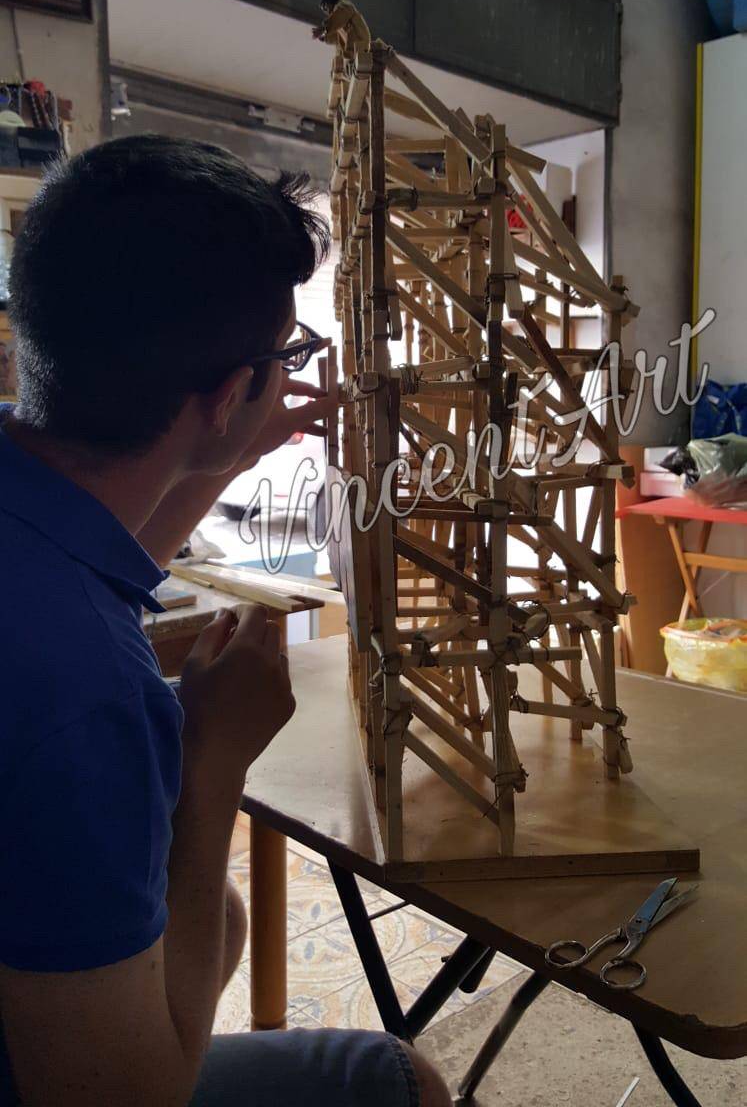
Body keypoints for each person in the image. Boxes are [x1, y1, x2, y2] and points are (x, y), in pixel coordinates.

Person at [0, 136, 450, 1107]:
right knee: (399, 1079)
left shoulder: (35, 534)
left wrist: (230, 446)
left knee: (221, 917)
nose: (290, 375)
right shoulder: (89, 692)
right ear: (221, 395)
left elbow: (106, 561)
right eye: (283, 358)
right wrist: (213, 761)